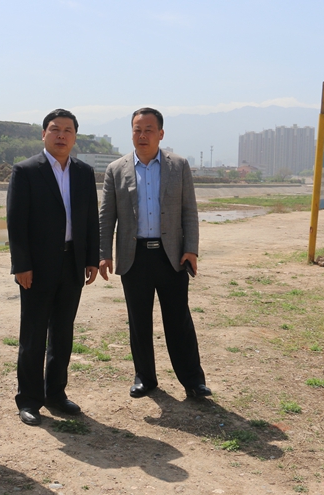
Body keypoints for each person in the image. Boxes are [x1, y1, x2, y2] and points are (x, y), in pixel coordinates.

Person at [99, 107, 211, 399]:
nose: (142, 135)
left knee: (178, 320)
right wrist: (103, 253)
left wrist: (191, 249)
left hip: (171, 256)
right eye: (137, 130)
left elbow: (189, 211)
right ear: (131, 134)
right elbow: (106, 216)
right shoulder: (116, 169)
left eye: (149, 130)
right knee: (139, 321)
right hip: (134, 256)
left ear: (160, 134)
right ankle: (145, 377)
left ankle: (193, 381)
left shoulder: (179, 166)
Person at [7, 109, 99, 426]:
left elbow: (91, 219)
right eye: (55, 129)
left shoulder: (84, 173)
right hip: (37, 266)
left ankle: (56, 394)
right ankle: (29, 399)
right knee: (33, 335)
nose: (61, 135)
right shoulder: (26, 171)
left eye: (68, 130)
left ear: (75, 137)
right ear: (43, 134)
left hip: (72, 262)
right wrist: (21, 264)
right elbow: (16, 222)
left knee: (62, 333)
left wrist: (91, 258)